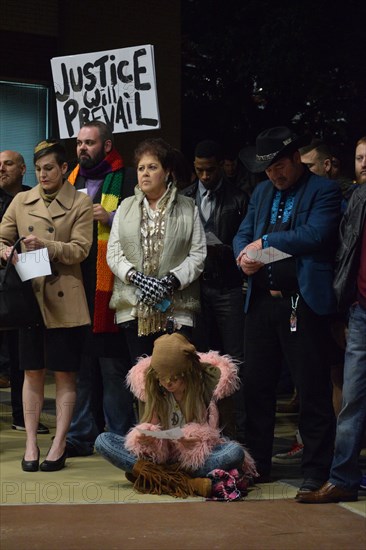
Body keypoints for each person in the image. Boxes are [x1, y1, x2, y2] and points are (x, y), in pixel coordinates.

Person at [233, 126, 342, 495]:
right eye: (267, 170)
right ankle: (257, 464)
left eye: (279, 166)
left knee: (311, 387)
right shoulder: (262, 191)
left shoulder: (324, 190)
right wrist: (242, 254)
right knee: (257, 387)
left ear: (296, 158)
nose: (274, 175)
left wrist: (261, 248)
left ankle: (315, 469)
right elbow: (242, 232)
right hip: (261, 301)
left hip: (301, 300)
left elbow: (315, 236)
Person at [0, 140, 93, 471]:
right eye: (39, 170)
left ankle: (59, 442)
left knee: (65, 374)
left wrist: (48, 245)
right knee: (32, 372)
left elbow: (81, 250)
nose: (43, 174)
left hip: (65, 297)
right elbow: (1, 236)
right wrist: (5, 250)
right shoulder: (21, 201)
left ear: (64, 169)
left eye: (49, 168)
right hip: (30, 298)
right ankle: (30, 444)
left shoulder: (80, 203)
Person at [95, 332, 256, 499]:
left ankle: (152, 476)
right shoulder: (152, 389)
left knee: (234, 452)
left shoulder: (208, 385)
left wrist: (196, 440)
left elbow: (224, 434)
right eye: (162, 378)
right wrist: (146, 440)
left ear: (187, 373)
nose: (168, 383)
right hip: (162, 458)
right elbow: (148, 429)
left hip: (196, 459)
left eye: (174, 378)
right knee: (103, 441)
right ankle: (188, 483)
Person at [297, 144, 366, 503]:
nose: (364, 163)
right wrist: (344, 310)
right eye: (359, 157)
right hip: (361, 311)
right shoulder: (354, 200)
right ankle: (342, 478)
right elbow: (344, 256)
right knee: (352, 398)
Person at [65, 120, 136, 457]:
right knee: (81, 368)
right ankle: (80, 435)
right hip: (75, 284)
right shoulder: (71, 181)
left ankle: (120, 438)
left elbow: (142, 224)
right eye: (79, 143)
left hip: (110, 288)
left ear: (107, 146)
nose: (82, 148)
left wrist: (111, 219)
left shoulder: (129, 179)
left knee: (112, 367)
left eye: (89, 143)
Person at [107, 137, 206, 363]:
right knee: (143, 382)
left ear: (167, 171)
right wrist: (139, 279)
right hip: (134, 307)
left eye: (152, 167)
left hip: (176, 308)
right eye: (141, 168)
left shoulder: (188, 207)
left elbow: (198, 255)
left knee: (175, 376)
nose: (145, 174)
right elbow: (113, 252)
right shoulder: (125, 206)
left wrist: (168, 282)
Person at [182, 140, 248, 443]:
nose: (205, 176)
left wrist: (224, 248)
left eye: (209, 170)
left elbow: (244, 239)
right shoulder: (186, 196)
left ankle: (237, 428)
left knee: (234, 359)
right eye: (199, 170)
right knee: (200, 357)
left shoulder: (237, 198)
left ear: (221, 166)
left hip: (228, 284)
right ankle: (204, 427)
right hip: (197, 286)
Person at [0, 150, 49, 434]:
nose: (2, 169)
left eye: (8, 164)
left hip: (25, 287)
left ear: (22, 169)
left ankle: (22, 416)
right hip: (1, 283)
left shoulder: (33, 199)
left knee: (23, 355)